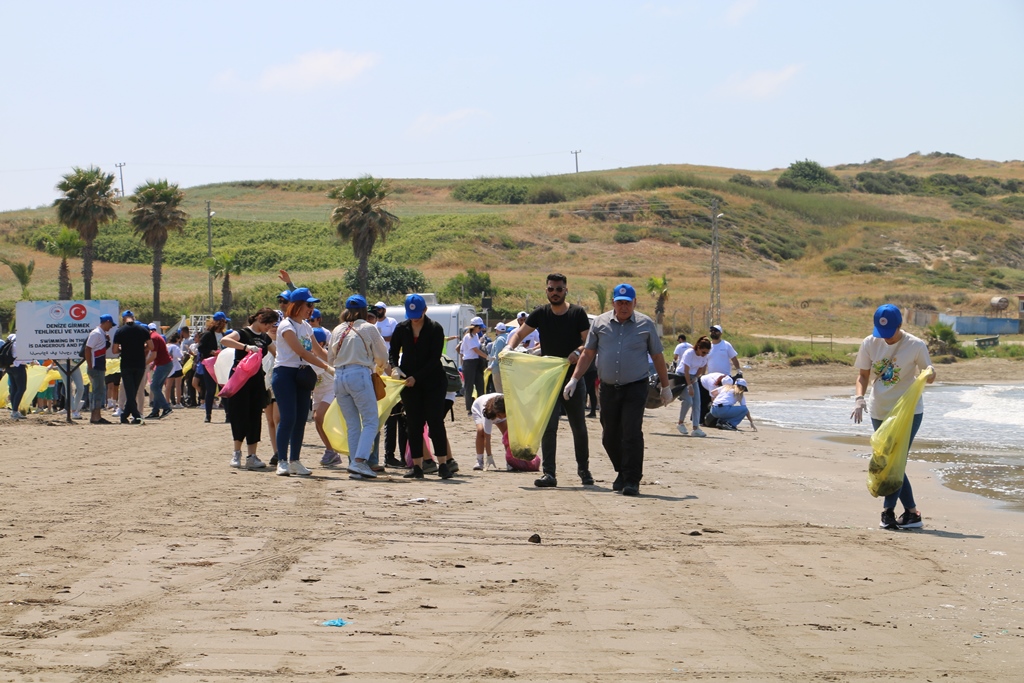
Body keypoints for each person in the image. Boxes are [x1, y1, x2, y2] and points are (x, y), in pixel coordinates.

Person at [564, 283, 672, 496]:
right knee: (609, 435)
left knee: (631, 432)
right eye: (619, 302)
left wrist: (666, 386)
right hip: (608, 388)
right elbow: (587, 353)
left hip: (636, 387)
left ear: (635, 302)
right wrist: (574, 379)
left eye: (627, 303)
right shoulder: (600, 323)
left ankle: (632, 480)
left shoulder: (645, 324)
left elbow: (658, 356)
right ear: (613, 302)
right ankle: (622, 470)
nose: (623, 307)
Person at [852, 304, 935, 531]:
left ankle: (888, 512)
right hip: (880, 410)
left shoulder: (915, 345)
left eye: (890, 334)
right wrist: (859, 399)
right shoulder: (870, 343)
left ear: (900, 325)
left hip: (908, 413)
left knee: (894, 460)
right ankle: (911, 513)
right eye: (882, 333)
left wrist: (930, 373)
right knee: (890, 459)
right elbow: (862, 374)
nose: (886, 339)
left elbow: (929, 372)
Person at [506, 273, 593, 488]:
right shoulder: (540, 313)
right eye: (551, 289)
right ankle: (549, 473)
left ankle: (584, 470)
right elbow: (519, 334)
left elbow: (589, 342)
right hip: (548, 379)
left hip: (572, 377)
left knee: (578, 426)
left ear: (566, 290)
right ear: (546, 290)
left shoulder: (577, 313)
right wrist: (509, 347)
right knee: (548, 426)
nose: (555, 293)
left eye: (559, 289)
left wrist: (576, 351)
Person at [389, 293, 453, 480]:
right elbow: (392, 352)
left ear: (425, 310)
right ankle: (417, 466)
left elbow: (435, 359)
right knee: (413, 424)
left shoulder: (435, 328)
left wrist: (416, 377)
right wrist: (395, 368)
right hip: (409, 384)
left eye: (418, 314)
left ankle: (443, 465)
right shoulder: (401, 329)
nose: (415, 318)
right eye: (411, 315)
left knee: (435, 422)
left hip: (433, 381)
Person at [272, 287, 334, 477]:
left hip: (302, 375)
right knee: (288, 417)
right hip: (285, 374)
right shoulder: (286, 326)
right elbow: (302, 352)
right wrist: (326, 368)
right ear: (297, 305)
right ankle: (282, 460)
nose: (311, 309)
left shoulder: (307, 326)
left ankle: (295, 460)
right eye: (308, 305)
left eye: (313, 305)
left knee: (300, 420)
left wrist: (337, 361)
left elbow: (319, 351)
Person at [329, 294, 390, 480]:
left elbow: (330, 359)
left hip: (339, 376)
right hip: (359, 374)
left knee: (352, 424)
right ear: (365, 310)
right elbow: (382, 356)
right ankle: (360, 461)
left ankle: (355, 465)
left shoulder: (337, 329)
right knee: (371, 421)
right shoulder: (368, 328)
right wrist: (377, 367)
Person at [220, 308, 277, 470]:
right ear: (259, 318)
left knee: (254, 416)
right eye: (268, 323)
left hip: (257, 379)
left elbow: (277, 354)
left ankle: (252, 455)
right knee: (239, 414)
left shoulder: (266, 338)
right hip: (239, 379)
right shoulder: (243, 333)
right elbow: (225, 341)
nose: (269, 327)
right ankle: (236, 452)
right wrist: (246, 347)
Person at [111, 311, 153, 425]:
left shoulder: (120, 331)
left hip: (126, 364)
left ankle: (133, 415)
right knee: (133, 390)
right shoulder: (143, 330)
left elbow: (114, 350)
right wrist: (141, 348)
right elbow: (151, 346)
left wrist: (123, 349)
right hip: (139, 363)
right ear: (134, 318)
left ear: (124, 319)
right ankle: (131, 415)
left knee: (130, 390)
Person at [310, 326, 342, 467]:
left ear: (320, 344)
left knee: (319, 417)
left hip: (331, 391)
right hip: (318, 392)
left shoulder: (324, 357)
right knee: (318, 421)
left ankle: (336, 449)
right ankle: (330, 451)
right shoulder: (308, 356)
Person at [676, 336, 711, 437]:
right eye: (703, 352)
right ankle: (680, 423)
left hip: (692, 377)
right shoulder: (689, 353)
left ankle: (696, 428)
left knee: (697, 402)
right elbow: (686, 370)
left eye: (707, 353)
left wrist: (696, 378)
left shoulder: (704, 357)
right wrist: (689, 386)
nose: (704, 355)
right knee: (688, 400)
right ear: (698, 348)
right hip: (682, 375)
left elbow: (701, 368)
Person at [85, 314, 115, 424]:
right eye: (110, 324)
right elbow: (88, 349)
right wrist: (90, 365)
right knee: (98, 392)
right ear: (106, 322)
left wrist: (106, 342)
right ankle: (95, 416)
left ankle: (96, 415)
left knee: (99, 391)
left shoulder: (101, 334)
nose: (111, 327)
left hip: (99, 366)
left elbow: (99, 349)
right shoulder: (96, 333)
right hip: (95, 366)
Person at [145, 323, 174, 420]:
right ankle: (155, 411)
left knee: (154, 386)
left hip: (164, 365)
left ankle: (166, 407)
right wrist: (154, 364)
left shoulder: (153, 338)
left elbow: (153, 355)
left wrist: (143, 364)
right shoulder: (155, 336)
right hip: (164, 364)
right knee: (157, 387)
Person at [470, 393, 506, 471]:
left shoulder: (508, 409)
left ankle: (510, 461)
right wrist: (489, 456)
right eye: (499, 416)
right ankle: (479, 460)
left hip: (501, 410)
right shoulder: (487, 413)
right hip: (479, 408)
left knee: (507, 434)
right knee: (481, 431)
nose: (501, 417)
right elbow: (487, 437)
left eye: (503, 415)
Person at [460, 316, 488, 414]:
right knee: (469, 386)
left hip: (476, 362)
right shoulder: (468, 337)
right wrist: (486, 357)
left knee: (480, 384)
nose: (480, 329)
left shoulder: (475, 336)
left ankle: (481, 406)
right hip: (469, 363)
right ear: (474, 327)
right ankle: (469, 408)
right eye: (479, 327)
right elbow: (475, 350)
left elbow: (463, 350)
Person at [5, 334, 28, 420]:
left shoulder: (11, 339)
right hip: (18, 367)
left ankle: (14, 411)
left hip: (9, 367)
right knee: (21, 388)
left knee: (14, 389)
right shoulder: (20, 340)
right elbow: (21, 355)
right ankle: (14, 411)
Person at [486, 322, 509, 393]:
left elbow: (497, 354)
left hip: (497, 368)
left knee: (499, 389)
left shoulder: (499, 339)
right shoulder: (507, 337)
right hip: (506, 367)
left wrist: (492, 365)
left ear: (497, 330)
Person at [165, 332, 185, 408]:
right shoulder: (175, 347)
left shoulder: (166, 346)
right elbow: (180, 356)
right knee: (178, 386)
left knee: (168, 386)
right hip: (176, 367)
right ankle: (178, 403)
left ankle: (167, 402)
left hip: (168, 367)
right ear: (177, 339)